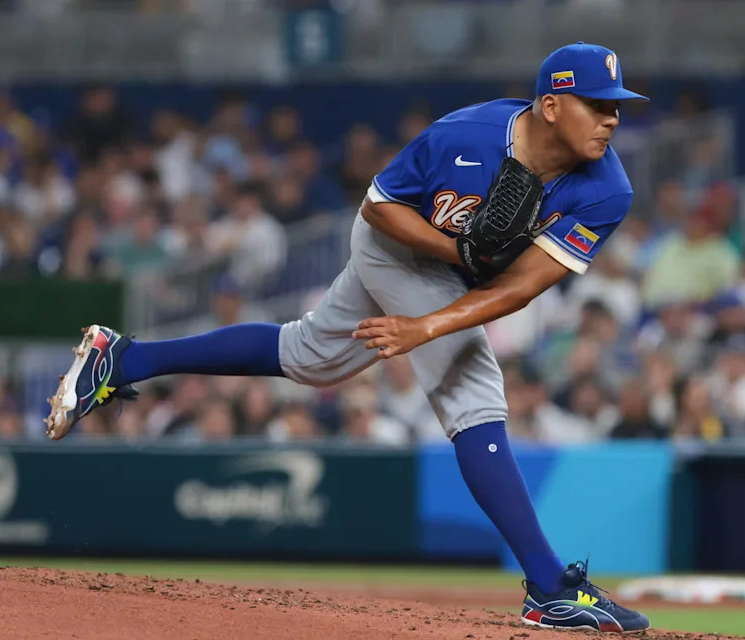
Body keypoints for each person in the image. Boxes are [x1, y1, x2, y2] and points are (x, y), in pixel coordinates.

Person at [44, 42, 650, 633]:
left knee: (309, 357)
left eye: (617, 106)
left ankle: (122, 358)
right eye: (598, 105)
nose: (612, 119)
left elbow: (519, 288)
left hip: (462, 276)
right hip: (396, 247)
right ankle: (548, 588)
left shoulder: (606, 190)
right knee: (474, 392)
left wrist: (430, 322)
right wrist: (455, 254)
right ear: (551, 105)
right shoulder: (464, 137)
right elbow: (378, 207)